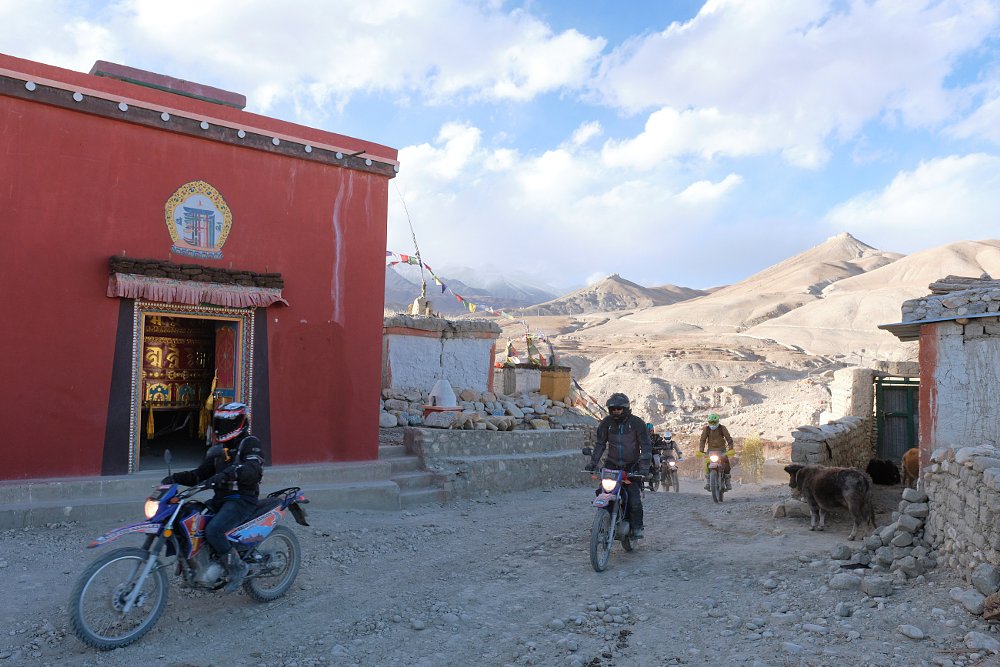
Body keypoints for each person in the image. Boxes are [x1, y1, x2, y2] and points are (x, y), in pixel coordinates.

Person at [162, 402, 265, 593]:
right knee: (188, 519)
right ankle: (197, 566)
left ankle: (238, 568)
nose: (223, 426)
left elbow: (253, 469)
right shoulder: (219, 449)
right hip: (221, 500)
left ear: (241, 422)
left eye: (229, 422)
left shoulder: (250, 443)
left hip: (242, 499)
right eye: (220, 422)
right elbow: (199, 474)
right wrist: (176, 478)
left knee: (214, 530)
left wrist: (228, 473)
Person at [586, 393, 651, 539]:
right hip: (611, 466)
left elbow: (646, 446)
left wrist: (644, 467)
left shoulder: (637, 423)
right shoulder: (606, 423)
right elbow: (600, 444)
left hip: (632, 466)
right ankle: (603, 522)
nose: (616, 411)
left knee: (634, 499)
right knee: (603, 492)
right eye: (613, 409)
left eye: (619, 409)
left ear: (626, 408)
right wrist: (593, 463)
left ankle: (637, 527)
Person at [698, 412, 734, 491]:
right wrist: (701, 450)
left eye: (714, 422)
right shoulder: (706, 429)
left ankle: (727, 482)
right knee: (707, 463)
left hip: (722, 450)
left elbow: (728, 438)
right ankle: (708, 482)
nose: (713, 424)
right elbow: (702, 440)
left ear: (718, 421)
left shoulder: (722, 428)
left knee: (726, 463)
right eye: (711, 422)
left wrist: (730, 448)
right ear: (708, 422)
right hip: (710, 451)